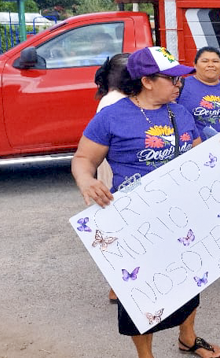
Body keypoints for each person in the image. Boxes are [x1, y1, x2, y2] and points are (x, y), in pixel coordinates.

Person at [71, 46, 220, 358]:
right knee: (139, 294)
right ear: (147, 81)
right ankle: (146, 355)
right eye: (172, 79)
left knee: (190, 280)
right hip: (135, 221)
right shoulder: (112, 117)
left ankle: (188, 338)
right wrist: (87, 180)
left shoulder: (179, 112)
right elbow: (83, 158)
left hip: (182, 215)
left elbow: (197, 154)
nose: (179, 85)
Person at [92, 52, 130, 305]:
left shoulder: (113, 97)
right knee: (118, 224)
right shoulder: (113, 102)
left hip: (112, 168)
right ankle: (117, 285)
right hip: (111, 170)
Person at [177, 47, 220, 139]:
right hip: (196, 149)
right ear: (195, 65)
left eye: (215, 61)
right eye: (205, 61)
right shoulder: (181, 86)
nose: (210, 65)